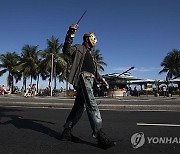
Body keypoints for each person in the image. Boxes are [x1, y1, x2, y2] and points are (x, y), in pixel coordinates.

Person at [60, 23, 116, 149]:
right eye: (92, 37)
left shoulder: (91, 55)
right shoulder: (79, 48)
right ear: (87, 39)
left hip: (90, 80)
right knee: (92, 104)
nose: (94, 40)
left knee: (79, 108)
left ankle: (66, 132)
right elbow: (66, 50)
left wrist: (102, 80)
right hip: (83, 78)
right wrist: (70, 33)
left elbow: (95, 72)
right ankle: (100, 135)